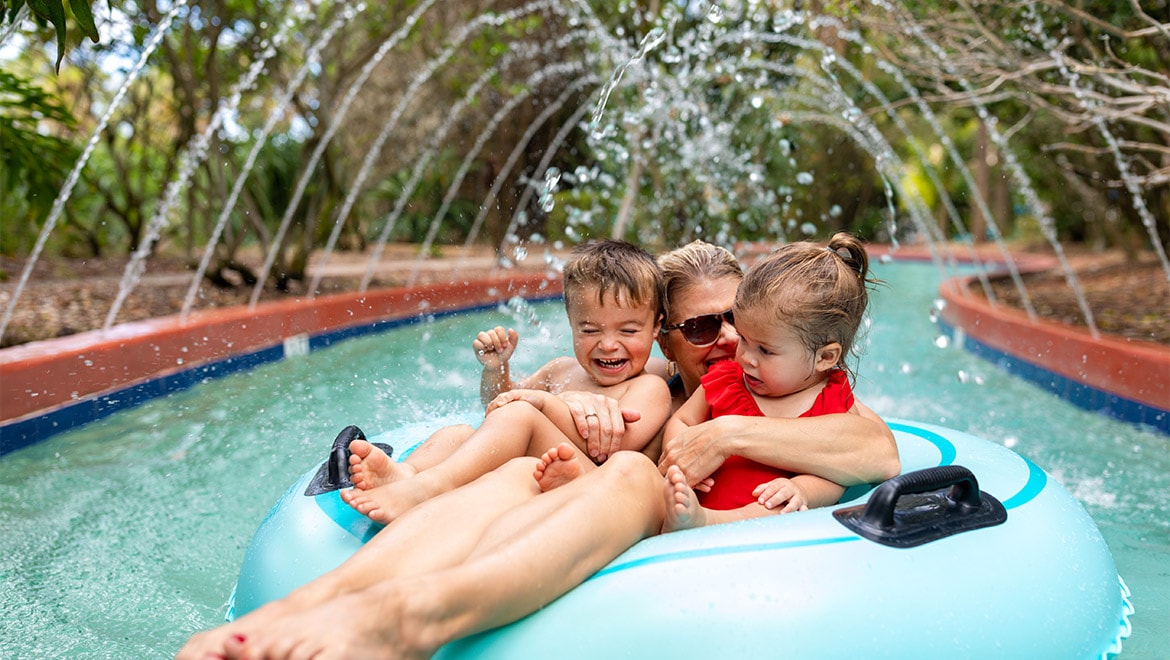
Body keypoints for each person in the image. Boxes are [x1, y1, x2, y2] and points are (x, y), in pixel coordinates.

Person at [176, 237, 899, 660]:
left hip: (653, 508)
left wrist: (728, 434)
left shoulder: (788, 388)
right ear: (663, 332)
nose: (731, 341)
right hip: (596, 492)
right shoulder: (655, 377)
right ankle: (303, 607)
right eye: (704, 327)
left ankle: (404, 620)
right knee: (518, 463)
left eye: (737, 323)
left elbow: (875, 452)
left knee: (619, 472)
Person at [340, 238, 672, 523]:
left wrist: (542, 403)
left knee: (523, 414)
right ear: (571, 322)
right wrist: (497, 369)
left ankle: (429, 487)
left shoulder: (648, 387)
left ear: (656, 327)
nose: (608, 344)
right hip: (546, 467)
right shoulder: (561, 369)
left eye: (628, 330)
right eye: (590, 330)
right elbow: (499, 405)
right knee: (457, 434)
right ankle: (406, 474)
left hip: (596, 482)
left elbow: (613, 446)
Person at [660, 233, 876, 531]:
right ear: (664, 344)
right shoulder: (726, 379)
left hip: (763, 521)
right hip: (700, 497)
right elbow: (683, 421)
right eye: (700, 327)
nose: (743, 353)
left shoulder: (832, 401)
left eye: (765, 349)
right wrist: (680, 459)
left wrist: (803, 489)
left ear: (825, 358)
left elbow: (839, 471)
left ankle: (706, 521)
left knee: (778, 506)